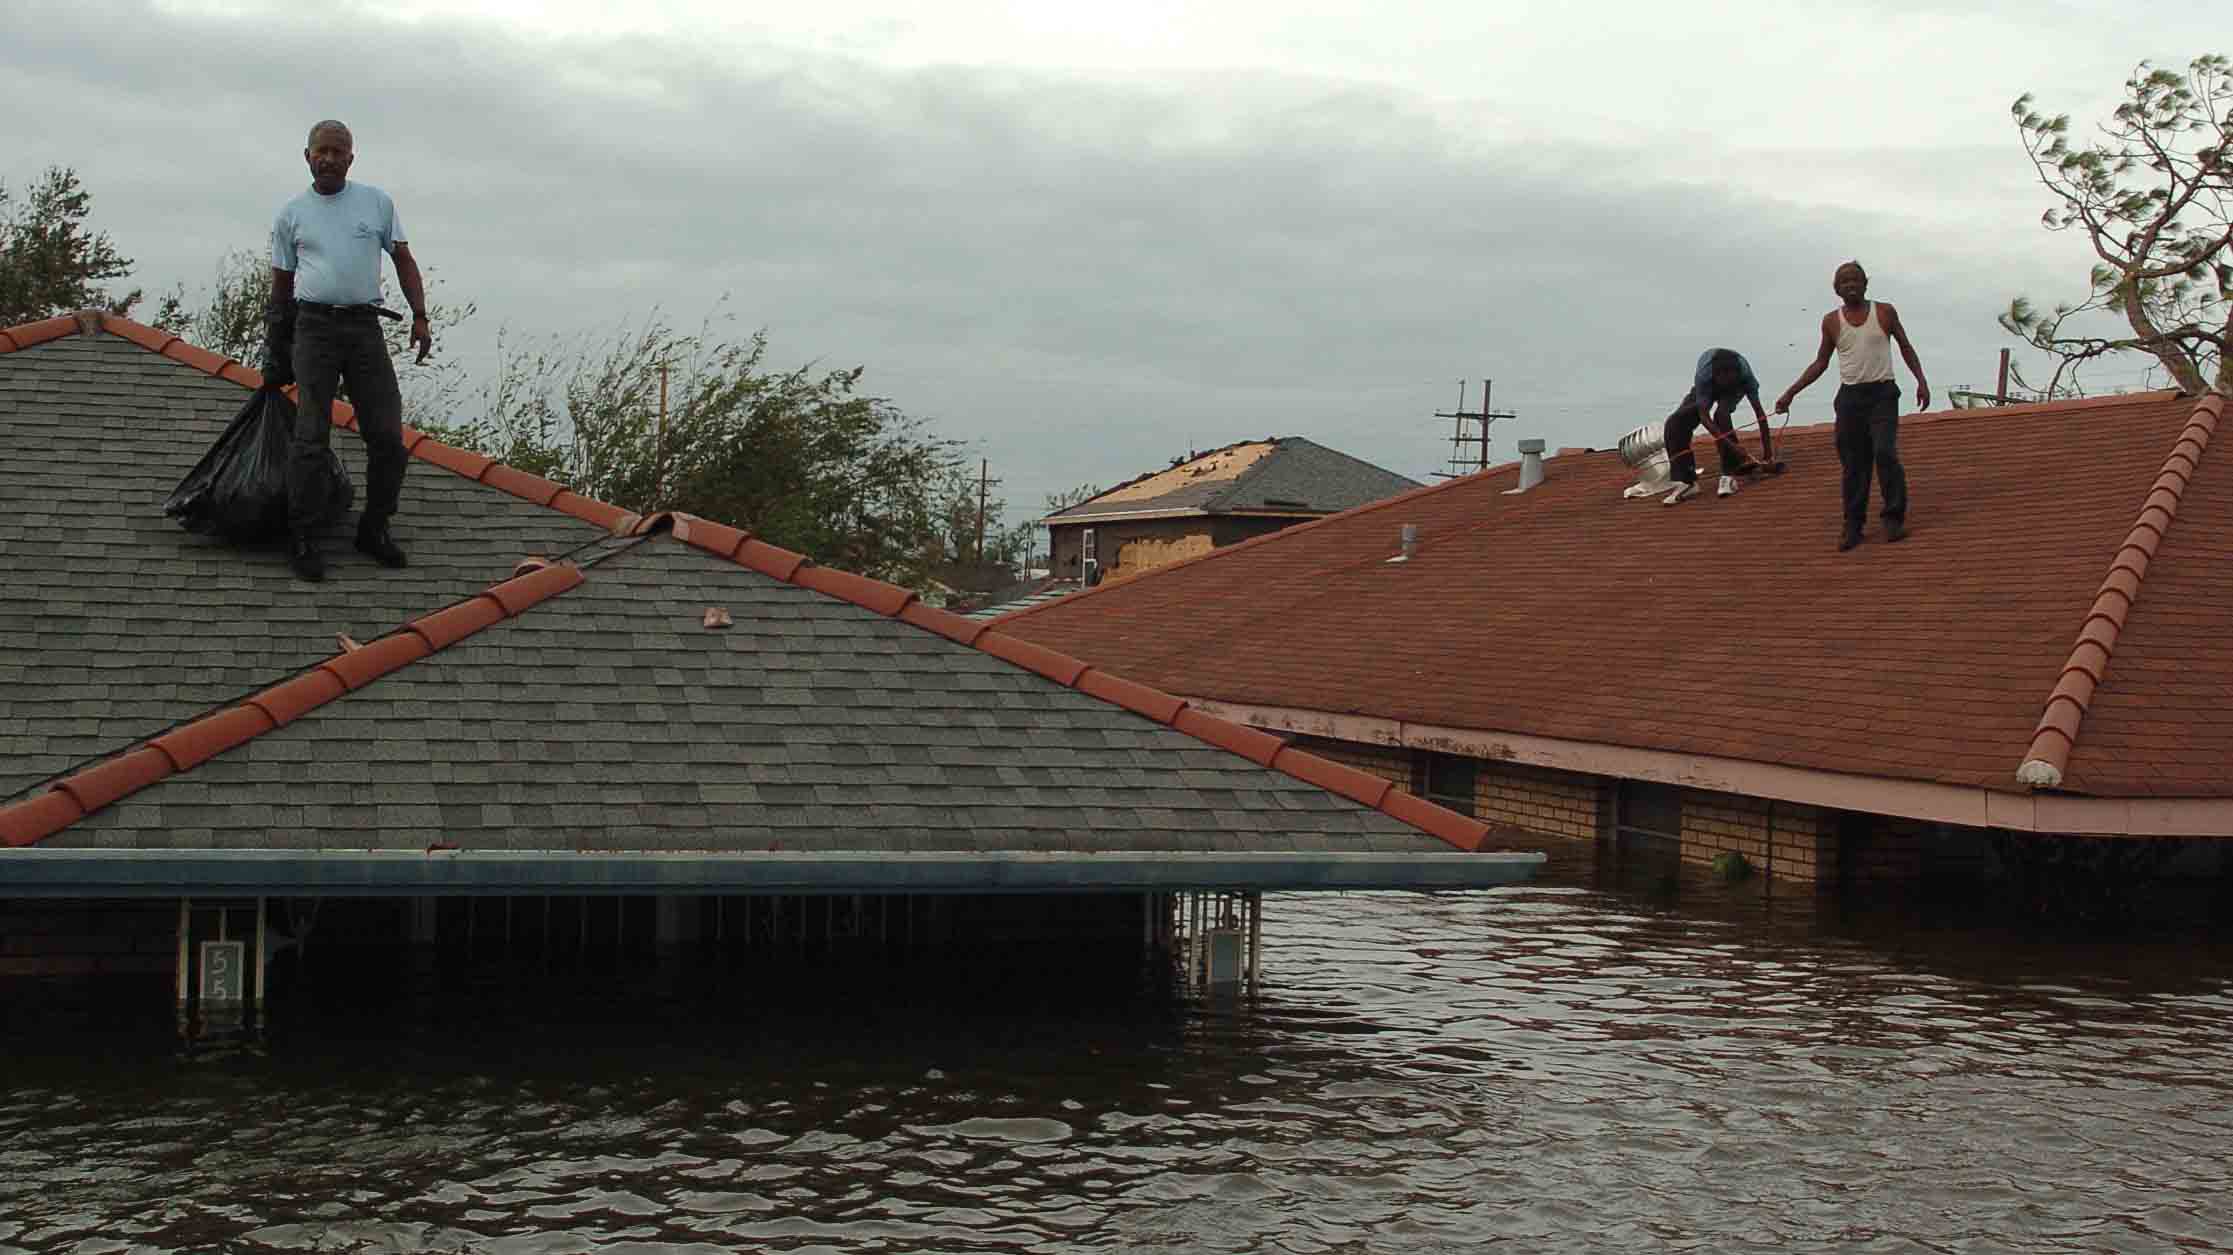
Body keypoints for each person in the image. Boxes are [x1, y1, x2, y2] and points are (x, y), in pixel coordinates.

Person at [268, 119, 432, 582]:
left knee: (386, 436)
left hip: (364, 329)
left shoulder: (375, 203)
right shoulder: (291, 214)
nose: (329, 159)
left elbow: (403, 258)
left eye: (339, 152)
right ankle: (302, 535)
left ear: (351, 159)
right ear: (307, 156)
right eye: (322, 151)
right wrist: (275, 345)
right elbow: (281, 284)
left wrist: (420, 315)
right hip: (314, 327)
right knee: (310, 437)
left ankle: (373, 528)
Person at [1775, 261, 1929, 550]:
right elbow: (1821, 362)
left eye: (1855, 280)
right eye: (1844, 282)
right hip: (1850, 400)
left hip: (1882, 394)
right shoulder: (1831, 322)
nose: (1850, 285)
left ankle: (1893, 518)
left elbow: (1905, 346)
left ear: (1865, 283)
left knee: (1884, 452)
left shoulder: (1884, 312)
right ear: (1837, 289)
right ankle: (1853, 525)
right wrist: (1790, 393)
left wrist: (1921, 380)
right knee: (1853, 465)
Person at [1662, 348, 1777, 505]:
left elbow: (1760, 416)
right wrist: (1734, 447)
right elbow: (1704, 417)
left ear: (1736, 376)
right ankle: (1687, 482)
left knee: (1721, 415)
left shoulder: (1745, 377)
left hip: (1735, 387)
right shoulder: (1704, 376)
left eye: (1729, 380)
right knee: (1675, 423)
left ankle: (1729, 472)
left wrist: (1768, 456)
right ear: (1715, 376)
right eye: (1722, 380)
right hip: (1706, 387)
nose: (1725, 383)